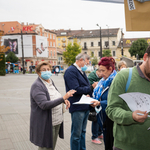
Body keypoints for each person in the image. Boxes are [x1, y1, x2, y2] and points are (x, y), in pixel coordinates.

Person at [106, 47, 150, 150]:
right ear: (145, 57)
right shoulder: (124, 77)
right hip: (126, 146)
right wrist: (131, 116)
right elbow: (111, 109)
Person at [30, 61, 76, 150]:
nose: (47, 71)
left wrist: (64, 100)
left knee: (51, 147)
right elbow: (44, 105)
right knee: (46, 147)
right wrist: (63, 98)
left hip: (56, 121)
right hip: (46, 123)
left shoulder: (50, 82)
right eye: (44, 70)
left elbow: (54, 97)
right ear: (39, 72)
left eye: (48, 69)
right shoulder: (37, 86)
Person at [64, 53, 99, 150]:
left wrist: (88, 94)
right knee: (76, 134)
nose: (87, 65)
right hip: (77, 106)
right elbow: (75, 89)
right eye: (87, 63)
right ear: (81, 60)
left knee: (83, 132)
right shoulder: (71, 71)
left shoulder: (80, 71)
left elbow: (83, 87)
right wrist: (91, 87)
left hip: (84, 105)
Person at [93, 57, 117, 150]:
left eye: (103, 70)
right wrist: (91, 99)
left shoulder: (115, 81)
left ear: (110, 69)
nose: (100, 73)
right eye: (99, 70)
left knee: (111, 143)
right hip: (104, 117)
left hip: (112, 119)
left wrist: (100, 103)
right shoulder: (102, 82)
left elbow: (116, 101)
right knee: (107, 143)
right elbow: (98, 96)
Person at [88, 69, 103, 144]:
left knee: (100, 117)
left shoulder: (102, 77)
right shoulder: (91, 76)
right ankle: (94, 137)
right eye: (101, 71)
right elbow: (89, 87)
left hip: (99, 100)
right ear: (98, 71)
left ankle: (100, 133)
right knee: (95, 119)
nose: (102, 74)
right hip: (94, 100)